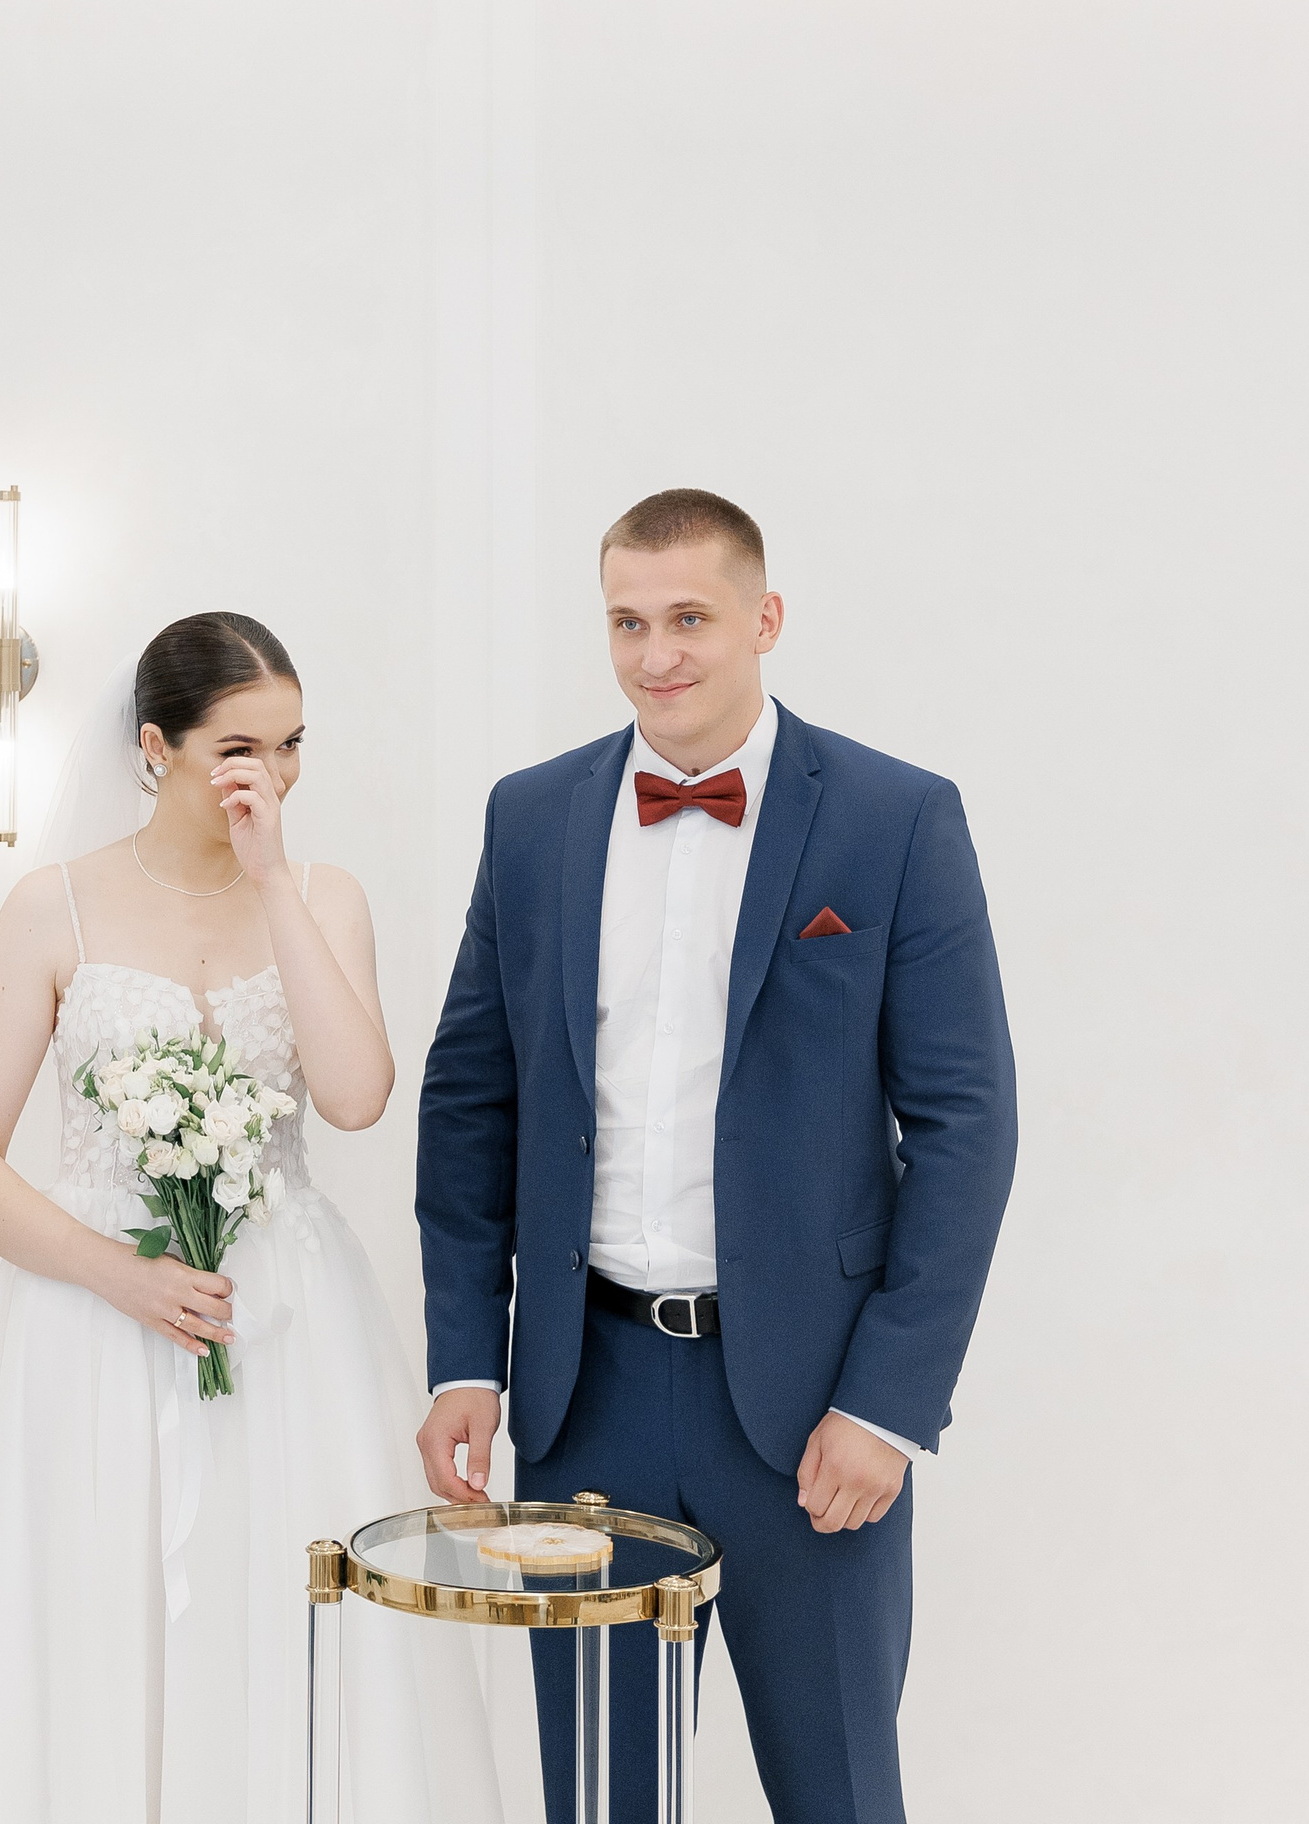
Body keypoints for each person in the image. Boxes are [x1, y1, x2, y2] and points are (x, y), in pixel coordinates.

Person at [416, 490, 1018, 1824]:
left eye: (689, 617)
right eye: (627, 623)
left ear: (766, 619)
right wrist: (467, 1357)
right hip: (586, 1397)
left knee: (839, 1793)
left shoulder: (895, 817)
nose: (656, 655)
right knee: (601, 1800)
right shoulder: (531, 817)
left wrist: (887, 1403)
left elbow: (968, 1126)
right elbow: (470, 1102)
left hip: (814, 1408)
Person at [0, 611, 500, 1824]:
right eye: (238, 749)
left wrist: (271, 877)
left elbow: (356, 1097)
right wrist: (117, 1272)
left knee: (282, 1612)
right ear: (155, 748)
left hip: (287, 1325)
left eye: (290, 745)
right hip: (93, 1327)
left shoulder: (323, 896)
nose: (269, 775)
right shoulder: (52, 908)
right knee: (102, 1618)